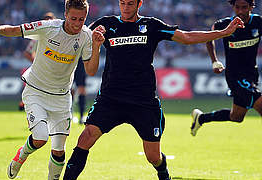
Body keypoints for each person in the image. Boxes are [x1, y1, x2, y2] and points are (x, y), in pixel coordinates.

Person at [62, 0, 244, 180]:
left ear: (139, 4)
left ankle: (162, 172)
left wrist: (224, 32)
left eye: (130, 4)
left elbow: (186, 37)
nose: (126, 8)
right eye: (123, 3)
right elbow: (76, 34)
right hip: (111, 98)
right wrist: (90, 43)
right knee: (85, 139)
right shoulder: (105, 24)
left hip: (143, 102)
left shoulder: (151, 26)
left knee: (153, 157)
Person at [0, 0, 105, 179]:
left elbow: (91, 71)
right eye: (73, 18)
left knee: (59, 150)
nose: (78, 23)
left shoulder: (86, 35)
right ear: (65, 14)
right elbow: (17, 29)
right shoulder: (48, 27)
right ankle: (21, 156)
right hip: (36, 91)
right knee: (40, 138)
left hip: (61, 97)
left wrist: (97, 47)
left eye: (81, 19)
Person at [191, 0, 262, 137]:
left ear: (251, 7)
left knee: (236, 117)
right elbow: (209, 39)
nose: (240, 11)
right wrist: (214, 61)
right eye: (237, 7)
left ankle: (201, 118)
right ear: (233, 7)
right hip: (235, 76)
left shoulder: (258, 22)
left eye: (244, 7)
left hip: (252, 74)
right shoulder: (224, 24)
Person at [19, 12, 56, 111]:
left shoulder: (59, 35)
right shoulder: (38, 36)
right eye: (46, 19)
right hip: (43, 72)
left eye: (50, 19)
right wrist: (38, 62)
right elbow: (27, 53)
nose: (48, 21)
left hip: (58, 70)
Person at [72, 59, 87, 124]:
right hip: (70, 61)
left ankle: (81, 116)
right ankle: (69, 114)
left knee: (81, 89)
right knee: (70, 90)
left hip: (80, 63)